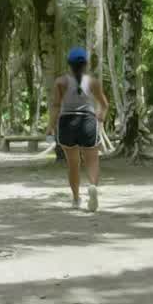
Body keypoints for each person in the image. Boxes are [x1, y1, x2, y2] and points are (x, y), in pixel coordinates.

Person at [48, 47, 109, 212]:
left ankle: (76, 199)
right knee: (93, 160)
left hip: (67, 122)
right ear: (85, 64)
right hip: (87, 121)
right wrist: (100, 117)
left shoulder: (60, 82)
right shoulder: (93, 82)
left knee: (73, 164)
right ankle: (92, 187)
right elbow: (104, 104)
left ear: (69, 64)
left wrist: (50, 127)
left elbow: (55, 105)